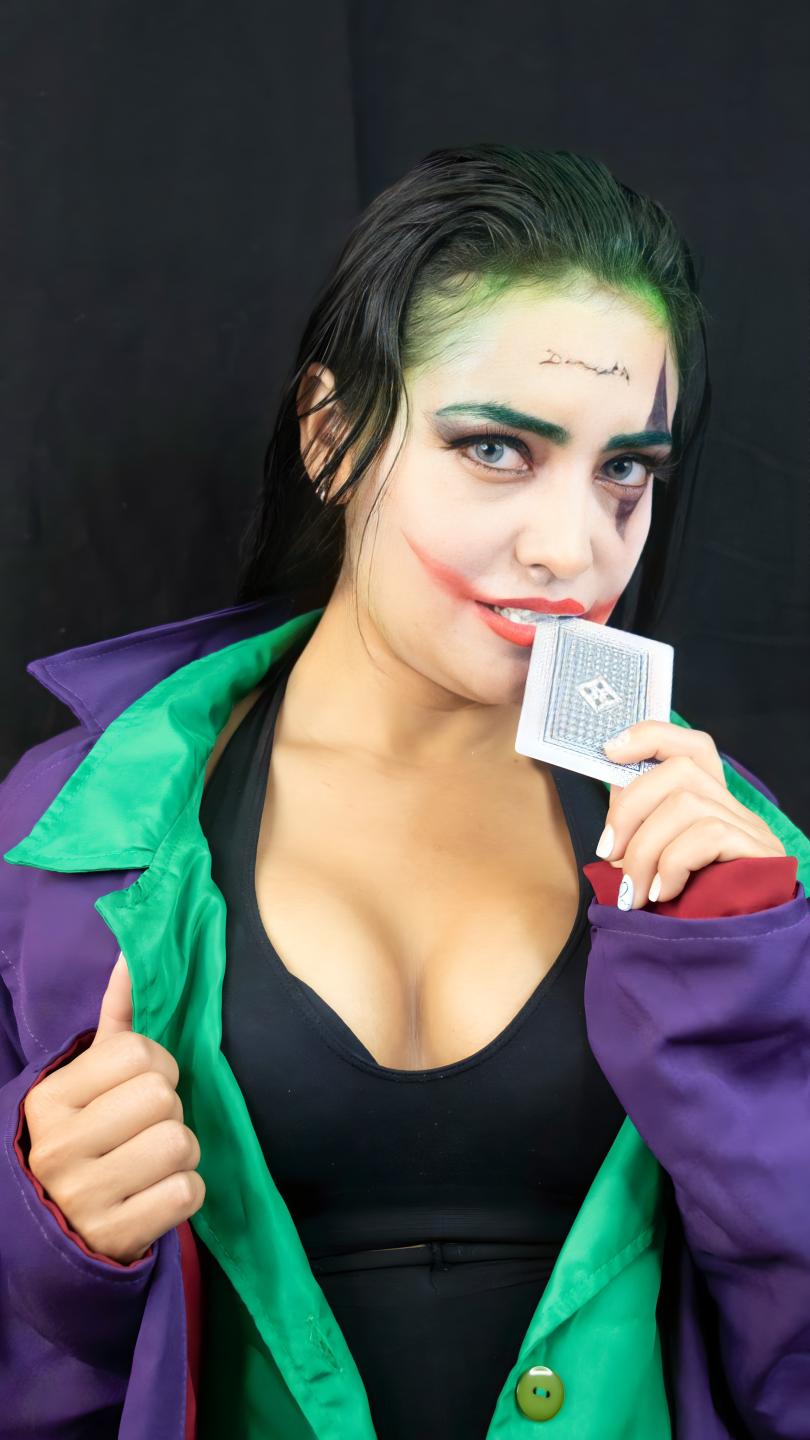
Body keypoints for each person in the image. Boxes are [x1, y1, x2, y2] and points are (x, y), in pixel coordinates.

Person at [0, 144, 807, 1439]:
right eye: (496, 448)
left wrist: (749, 1018)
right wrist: (50, 1235)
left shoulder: (732, 864)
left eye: (624, 471)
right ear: (332, 437)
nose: (573, 549)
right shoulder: (66, 840)